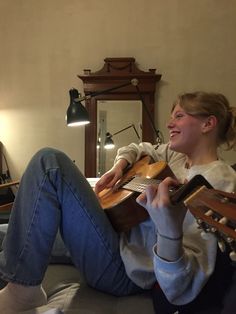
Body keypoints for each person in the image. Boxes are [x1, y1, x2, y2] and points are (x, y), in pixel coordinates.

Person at [0, 91, 235, 314]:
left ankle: (23, 293)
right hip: (117, 238)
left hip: (125, 271)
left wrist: (168, 231)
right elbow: (139, 147)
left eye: (179, 116)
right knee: (12, 231)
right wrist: (120, 165)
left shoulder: (215, 181)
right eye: (172, 116)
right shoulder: (176, 157)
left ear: (207, 124)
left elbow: (182, 283)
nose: (169, 123)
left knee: (50, 163)